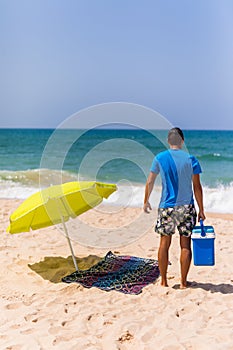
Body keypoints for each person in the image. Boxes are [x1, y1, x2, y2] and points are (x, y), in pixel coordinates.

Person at [143, 127, 205, 289]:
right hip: (187, 207)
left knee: (164, 243)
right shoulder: (191, 159)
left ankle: (163, 281)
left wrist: (146, 200)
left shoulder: (160, 158)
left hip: (167, 207)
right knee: (185, 245)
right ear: (182, 141)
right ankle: (183, 283)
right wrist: (201, 209)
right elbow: (197, 187)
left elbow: (149, 181)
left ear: (168, 141)